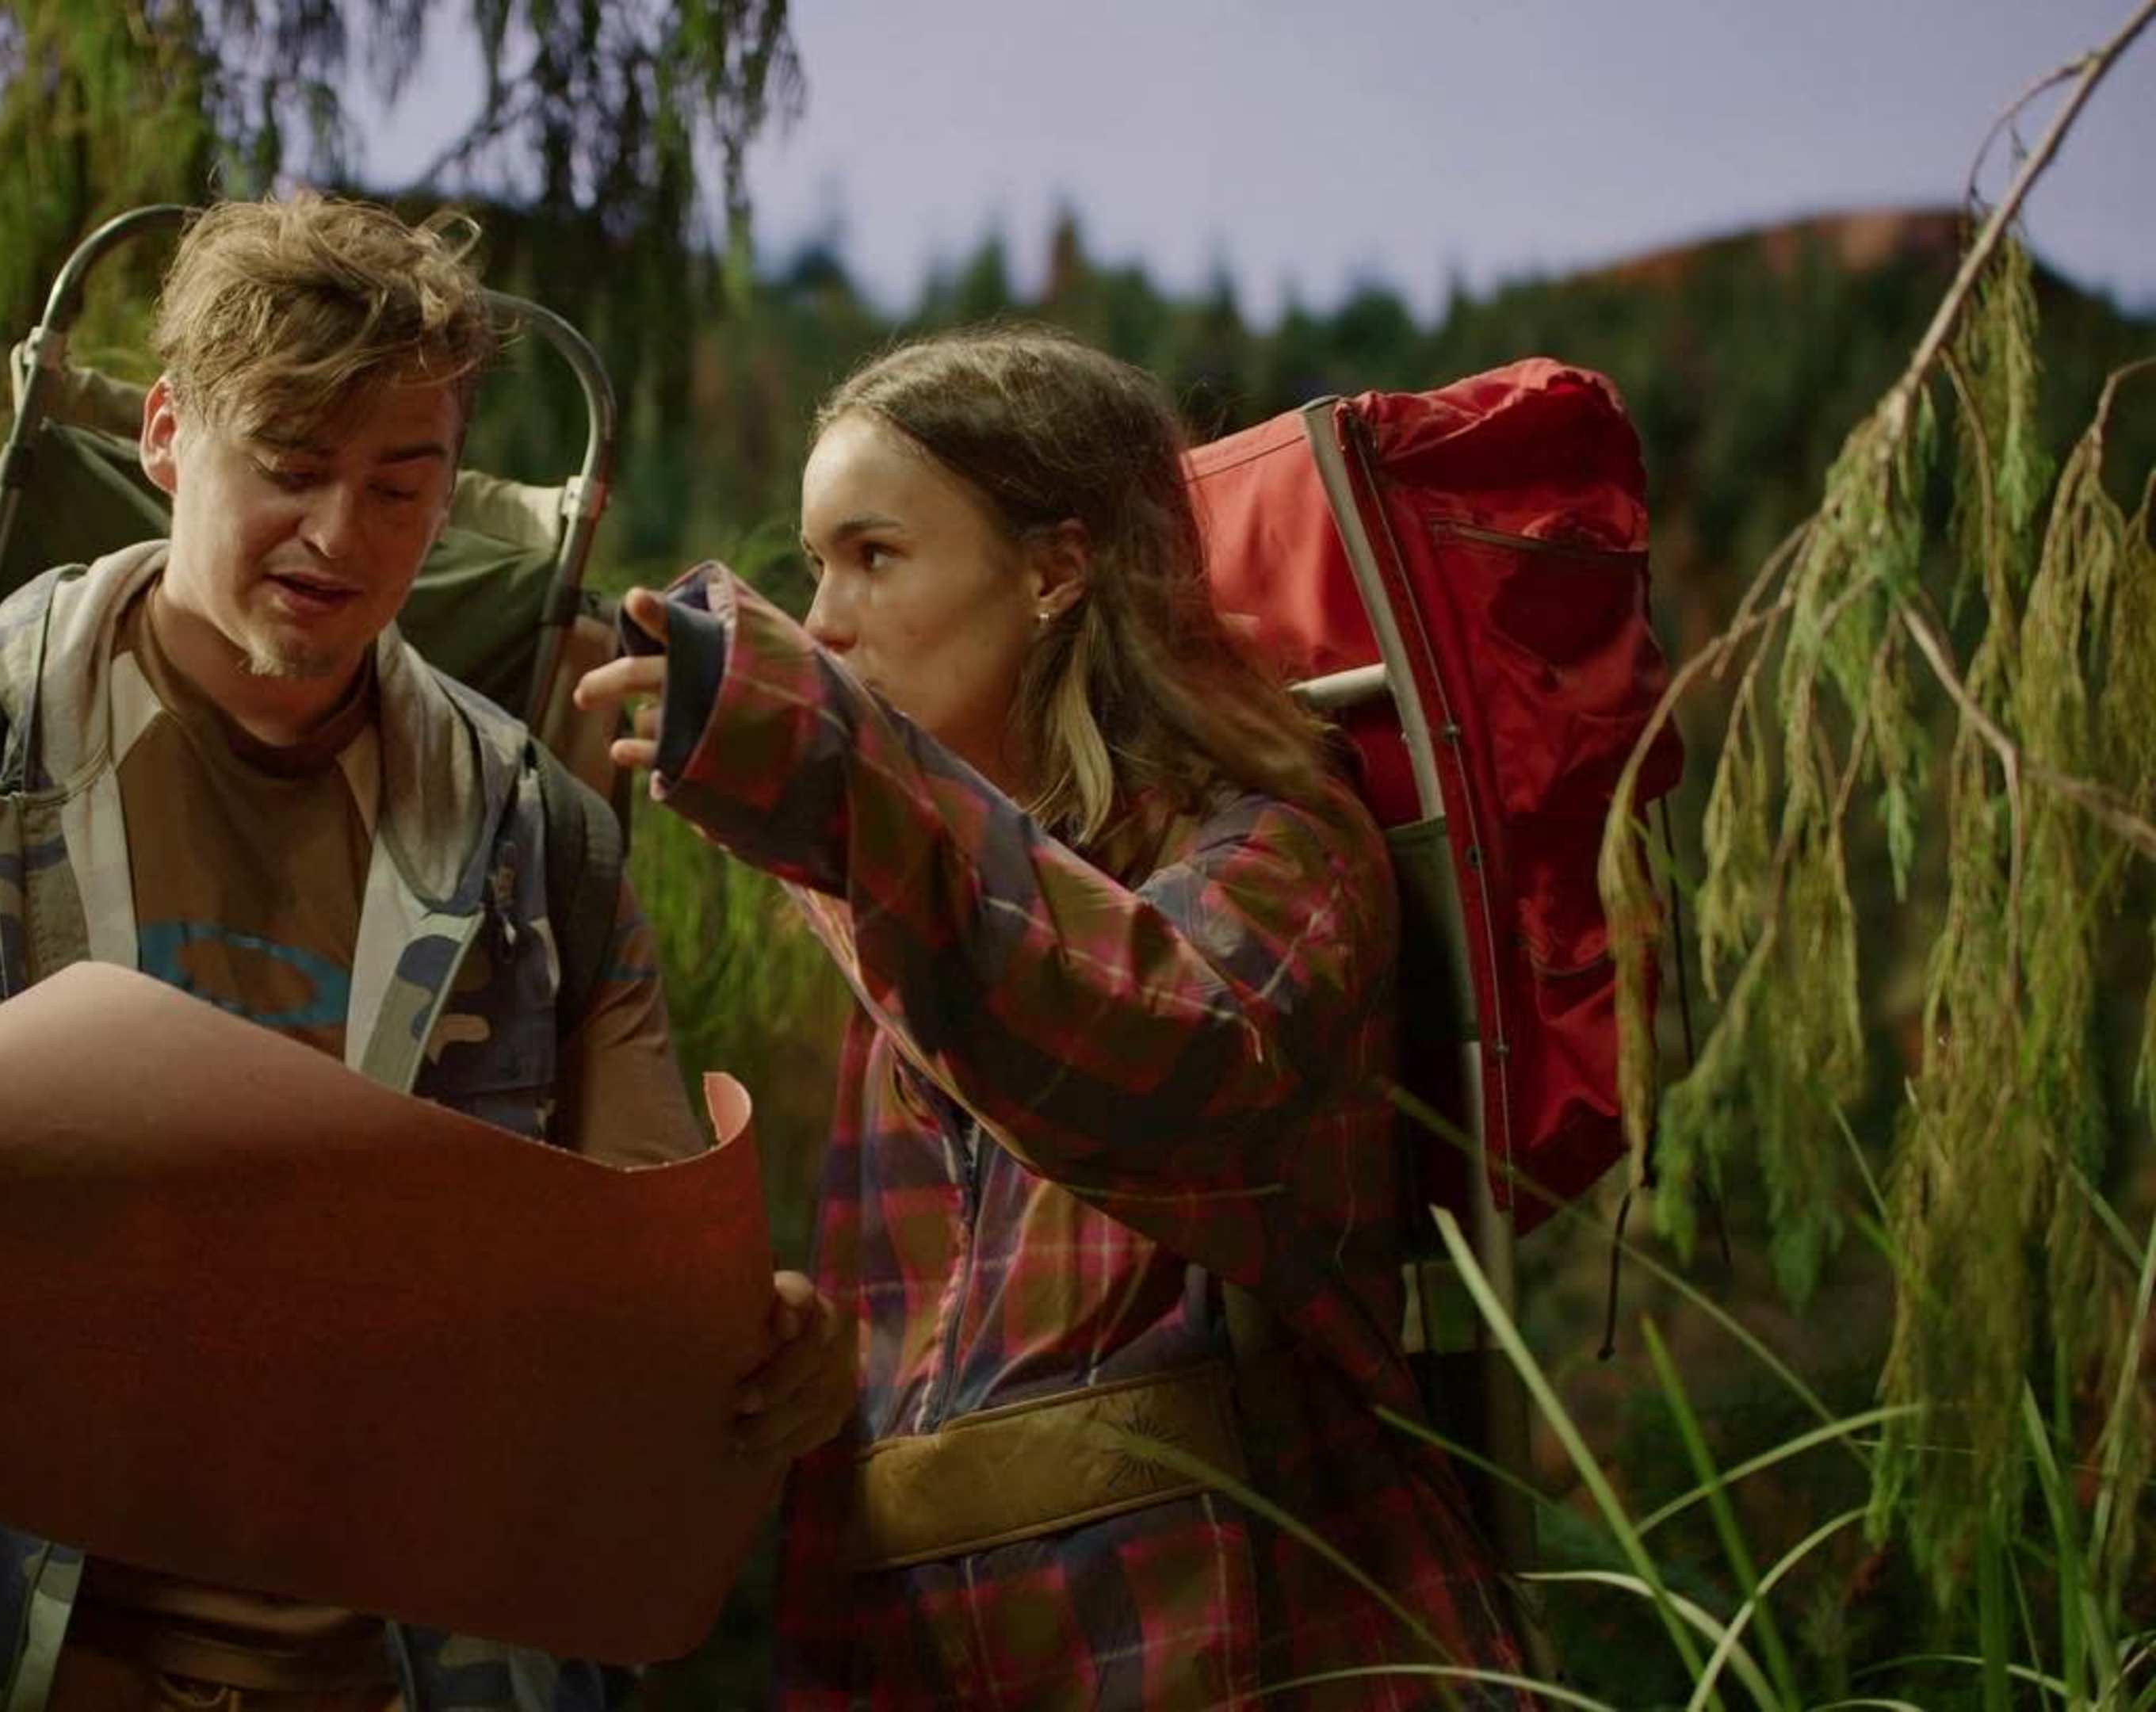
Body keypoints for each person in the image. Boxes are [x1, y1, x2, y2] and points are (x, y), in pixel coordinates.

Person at [0, 196, 778, 1712]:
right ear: (168, 435)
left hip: (399, 1668)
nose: (339, 536)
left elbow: (645, 1286)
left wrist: (754, 1354)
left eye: (399, 484)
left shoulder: (539, 849)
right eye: (289, 468)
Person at [576, 325, 1524, 1707]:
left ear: (1056, 572)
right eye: (812, 566)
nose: (826, 621)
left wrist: (836, 785)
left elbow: (1175, 1053)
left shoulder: (1283, 851)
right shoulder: (907, 921)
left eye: (876, 556)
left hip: (1258, 1651)